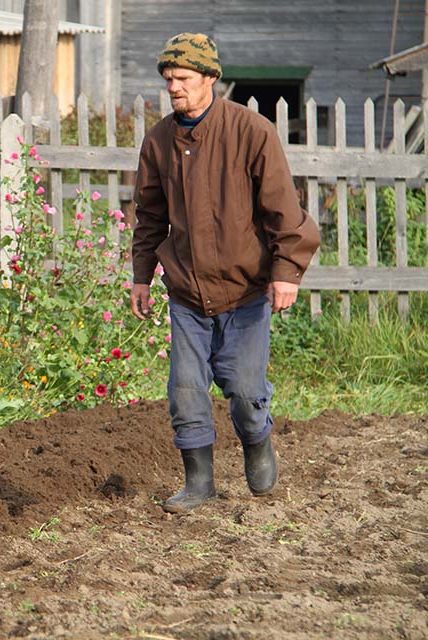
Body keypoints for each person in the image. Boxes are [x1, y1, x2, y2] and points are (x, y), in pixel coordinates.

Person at [130, 33, 320, 514]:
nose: (173, 87)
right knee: (185, 391)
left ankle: (257, 441)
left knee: (245, 390)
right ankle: (198, 482)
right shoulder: (158, 142)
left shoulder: (251, 131)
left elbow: (283, 209)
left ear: (210, 78)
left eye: (182, 78)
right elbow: (149, 217)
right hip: (187, 293)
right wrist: (141, 276)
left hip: (246, 291)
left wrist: (286, 272)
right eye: (168, 79)